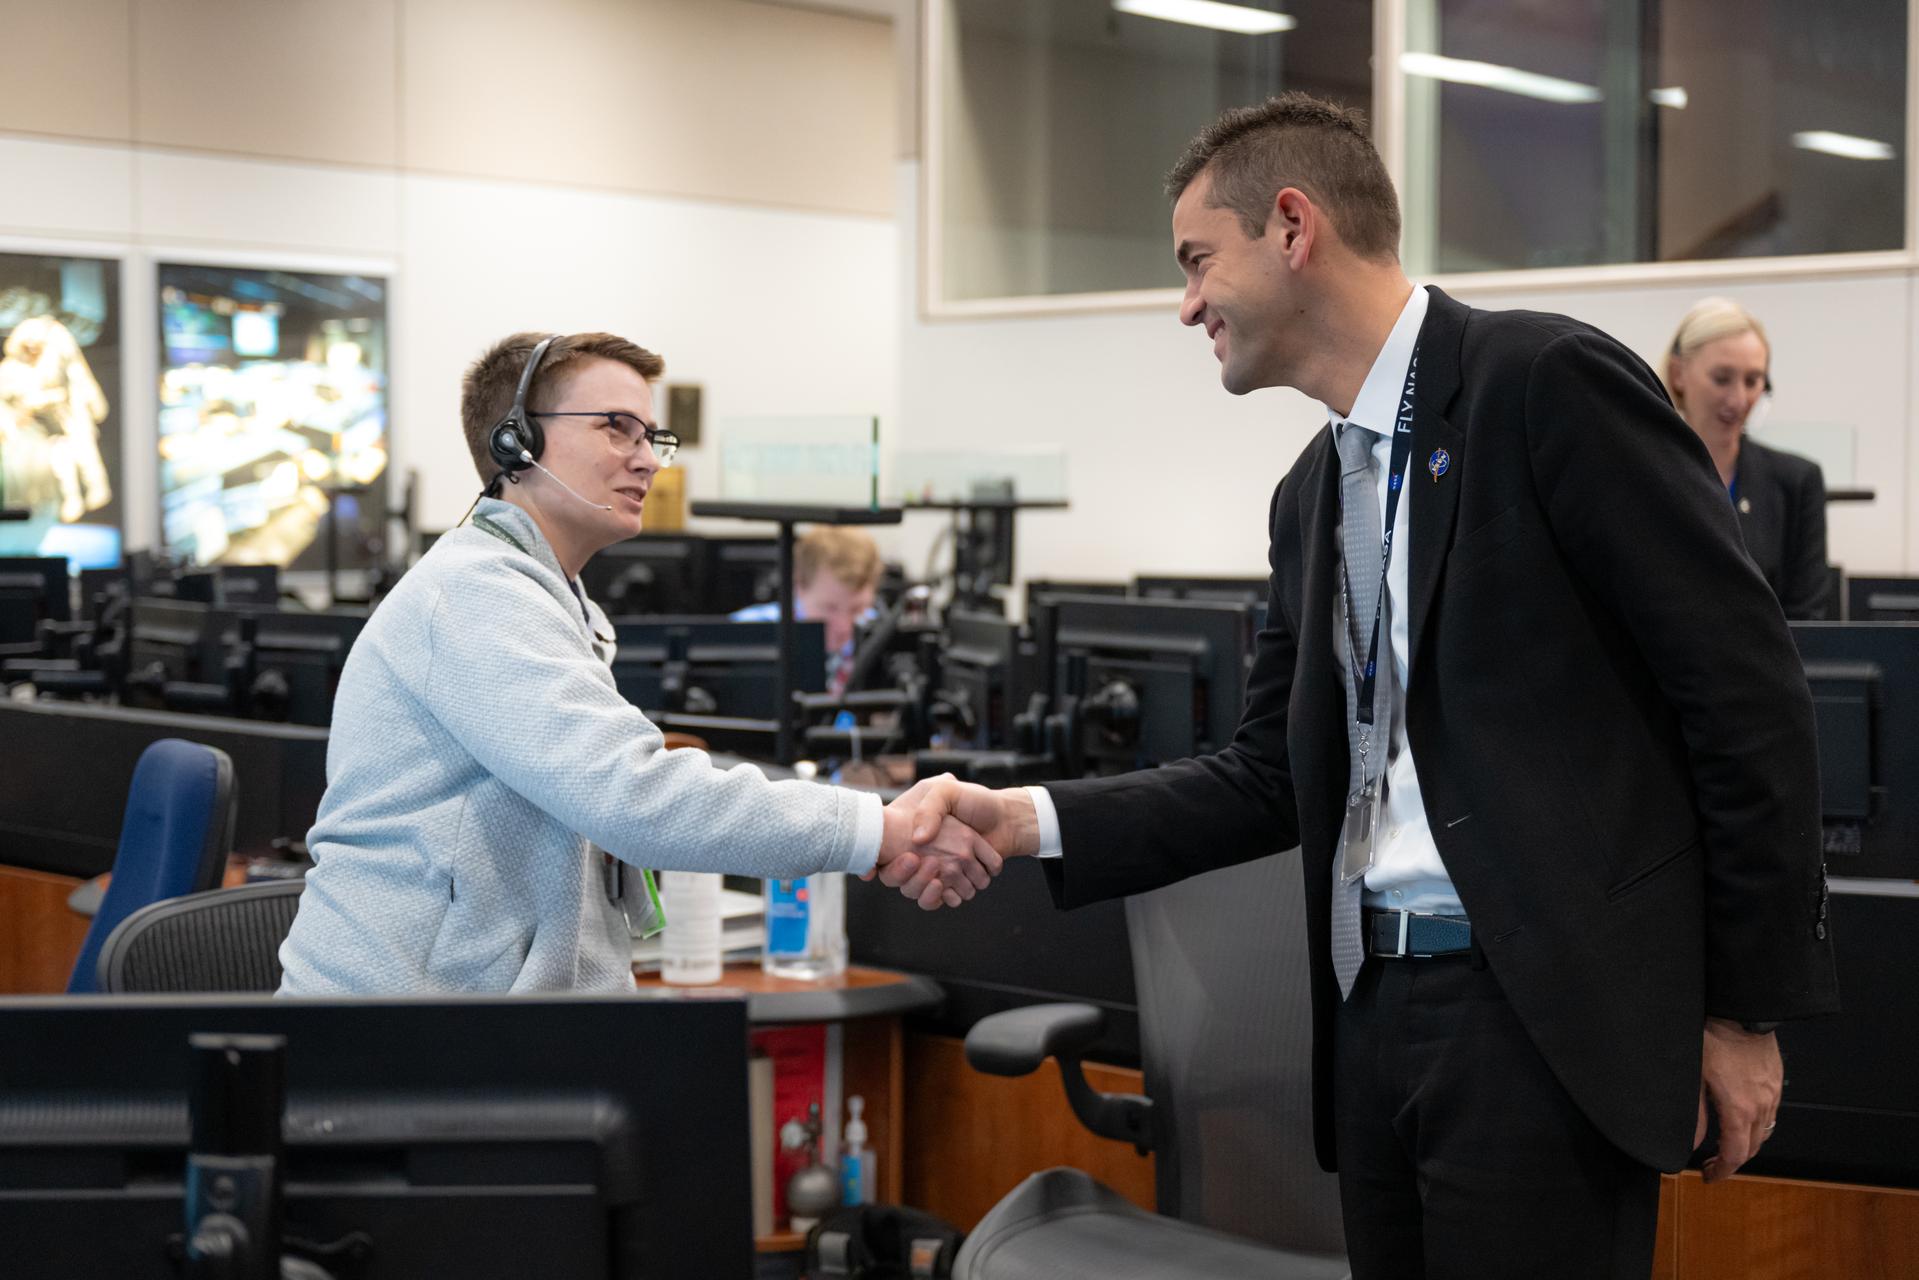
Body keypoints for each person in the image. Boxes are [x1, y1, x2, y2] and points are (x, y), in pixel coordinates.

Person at [891, 95, 1837, 1278]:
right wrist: (1025, 816)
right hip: (1371, 1015)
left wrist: (1743, 1010)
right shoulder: (1311, 491)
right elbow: (1262, 774)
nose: (1186, 302)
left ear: (1291, 227)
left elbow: (1746, 697)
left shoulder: (1541, 384)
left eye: (1197, 260)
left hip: (1537, 1022)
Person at [278, 331, 996, 996]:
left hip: (483, 1028)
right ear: (516, 443)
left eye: (652, 435)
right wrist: (874, 828)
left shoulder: (549, 599)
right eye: (615, 427)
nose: (647, 457)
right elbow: (632, 797)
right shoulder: (473, 595)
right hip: (402, 1043)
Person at [1665, 297, 1832, 619]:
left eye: (1752, 381)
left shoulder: (1797, 481)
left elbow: (1808, 620)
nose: (1739, 399)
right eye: (1722, 378)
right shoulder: (1642, 474)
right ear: (1678, 374)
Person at [731, 526, 881, 696]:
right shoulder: (745, 631)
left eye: (857, 609)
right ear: (798, 586)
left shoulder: (883, 639)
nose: (843, 627)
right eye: (829, 608)